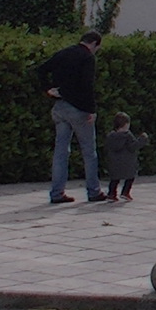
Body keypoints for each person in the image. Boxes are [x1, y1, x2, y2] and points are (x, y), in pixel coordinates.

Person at [35, 31, 106, 204]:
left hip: (60, 106)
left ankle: (57, 193)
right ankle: (93, 191)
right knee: (89, 152)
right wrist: (92, 110)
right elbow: (87, 84)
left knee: (60, 151)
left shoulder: (64, 53)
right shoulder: (87, 58)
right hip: (79, 108)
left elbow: (41, 70)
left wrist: (48, 89)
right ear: (94, 44)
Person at [104, 113, 150, 202]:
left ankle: (111, 194)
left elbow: (107, 148)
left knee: (114, 179)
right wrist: (142, 139)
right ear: (126, 124)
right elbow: (133, 147)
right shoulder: (127, 135)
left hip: (114, 162)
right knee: (130, 177)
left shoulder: (110, 136)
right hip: (128, 162)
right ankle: (125, 192)